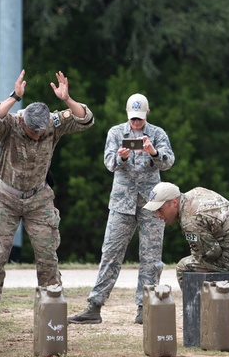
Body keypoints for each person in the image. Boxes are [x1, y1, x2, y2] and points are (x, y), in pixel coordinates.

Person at [0, 69, 93, 326]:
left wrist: (67, 99)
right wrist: (14, 96)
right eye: (32, 132)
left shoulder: (53, 123)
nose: (37, 136)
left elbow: (86, 120)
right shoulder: (12, 124)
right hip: (5, 196)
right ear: (24, 122)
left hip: (38, 198)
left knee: (47, 254)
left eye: (41, 133)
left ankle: (51, 305)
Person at [69, 93, 173, 326]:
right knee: (110, 253)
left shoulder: (157, 133)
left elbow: (168, 162)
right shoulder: (116, 133)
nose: (136, 122)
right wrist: (121, 158)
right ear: (128, 115)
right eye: (133, 118)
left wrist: (153, 152)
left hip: (151, 203)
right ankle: (94, 306)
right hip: (122, 203)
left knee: (151, 257)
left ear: (147, 113)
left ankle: (144, 308)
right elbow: (108, 163)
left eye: (140, 118)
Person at [144, 182, 229, 277]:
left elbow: (211, 252)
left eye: (159, 209)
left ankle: (197, 308)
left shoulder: (190, 219)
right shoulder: (196, 192)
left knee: (183, 267)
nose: (157, 215)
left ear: (174, 202)